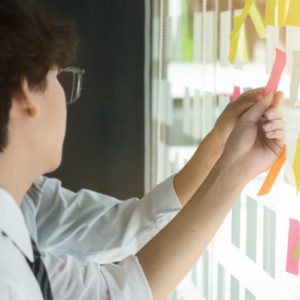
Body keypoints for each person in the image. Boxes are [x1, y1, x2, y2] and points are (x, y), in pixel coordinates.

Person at [0, 0, 285, 299]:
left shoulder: (25, 222)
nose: (68, 100)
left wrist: (229, 159)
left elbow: (124, 283)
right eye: (58, 77)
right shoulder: (8, 277)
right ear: (25, 94)